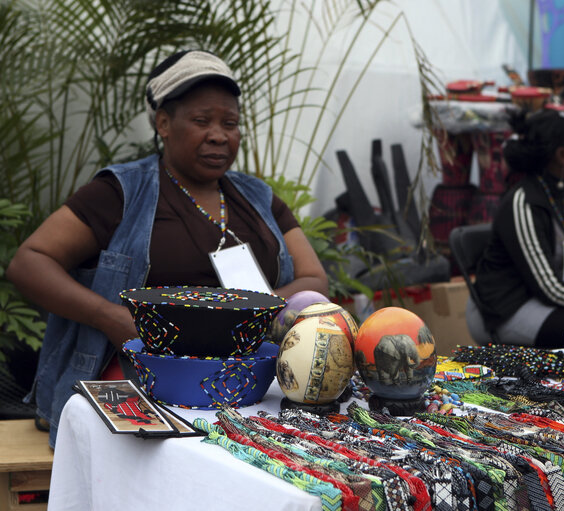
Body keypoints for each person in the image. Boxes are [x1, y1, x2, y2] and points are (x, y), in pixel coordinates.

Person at [6, 50, 328, 446]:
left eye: (230, 123)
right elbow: (29, 263)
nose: (219, 134)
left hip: (251, 383)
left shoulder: (257, 197)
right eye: (201, 120)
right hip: (140, 379)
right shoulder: (121, 192)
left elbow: (314, 278)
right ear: (163, 123)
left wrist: (250, 315)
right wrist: (112, 317)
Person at [466, 107, 564, 348]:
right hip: (507, 309)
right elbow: (550, 288)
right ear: (563, 155)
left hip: (549, 302)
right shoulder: (524, 201)